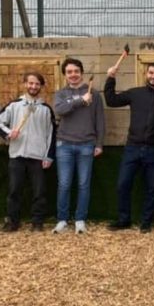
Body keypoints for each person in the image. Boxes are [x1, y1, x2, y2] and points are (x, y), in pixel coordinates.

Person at [104, 61, 154, 233]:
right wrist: (110, 78)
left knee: (151, 187)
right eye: (151, 73)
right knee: (123, 184)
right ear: (146, 74)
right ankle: (123, 219)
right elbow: (111, 100)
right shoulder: (135, 93)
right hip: (132, 147)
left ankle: (146, 222)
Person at [0, 72, 56, 232]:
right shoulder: (14, 105)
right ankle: (12, 221)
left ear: (41, 87)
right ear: (25, 84)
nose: (33, 86)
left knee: (39, 191)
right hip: (17, 155)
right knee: (14, 190)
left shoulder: (46, 109)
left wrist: (49, 155)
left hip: (38, 157)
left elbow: (51, 134)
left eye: (37, 84)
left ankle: (37, 221)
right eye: (31, 83)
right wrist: (8, 132)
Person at [52, 58, 105, 234]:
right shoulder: (60, 94)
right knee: (64, 184)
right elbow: (60, 110)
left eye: (76, 71)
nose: (73, 74)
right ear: (65, 75)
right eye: (69, 72)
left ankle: (80, 219)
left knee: (83, 184)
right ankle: (62, 220)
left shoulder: (95, 94)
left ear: (81, 73)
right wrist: (80, 101)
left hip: (86, 144)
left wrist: (99, 143)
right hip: (64, 144)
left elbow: (100, 120)